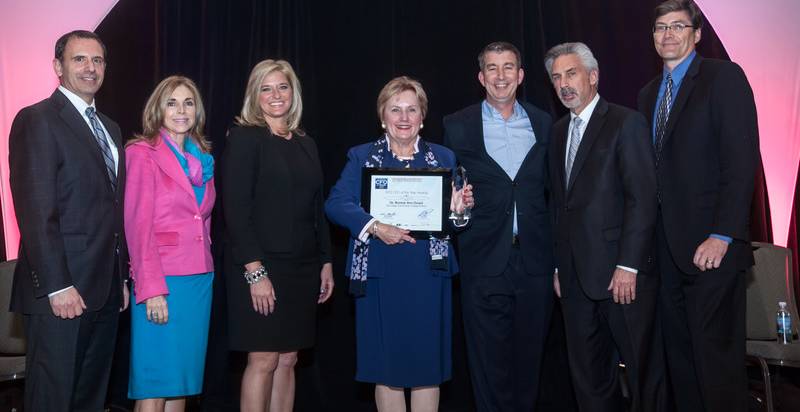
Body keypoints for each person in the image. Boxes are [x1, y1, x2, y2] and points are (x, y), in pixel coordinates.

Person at [637, 1, 759, 410]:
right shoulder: (648, 93)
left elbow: (741, 164)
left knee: (716, 369)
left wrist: (723, 234)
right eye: (659, 27)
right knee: (681, 367)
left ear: (697, 33)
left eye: (677, 26)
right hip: (666, 253)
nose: (667, 34)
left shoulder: (724, 78)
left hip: (713, 249)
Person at [325, 76, 471, 412]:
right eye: (395, 109)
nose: (403, 118)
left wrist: (460, 210)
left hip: (428, 276)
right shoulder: (361, 156)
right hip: (380, 275)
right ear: (382, 116)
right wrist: (375, 226)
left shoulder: (444, 158)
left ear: (423, 116)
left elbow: (456, 223)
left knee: (427, 369)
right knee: (385, 368)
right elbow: (335, 204)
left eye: (411, 109)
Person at [8, 30, 129, 411]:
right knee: (52, 399)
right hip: (62, 292)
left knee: (90, 398)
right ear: (58, 66)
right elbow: (34, 209)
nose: (90, 68)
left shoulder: (110, 128)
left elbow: (112, 208)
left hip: (105, 288)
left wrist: (121, 276)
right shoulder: (37, 119)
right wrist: (57, 285)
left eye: (97, 60)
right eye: (79, 59)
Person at [545, 42, 665, 411]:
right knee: (589, 378)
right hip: (575, 279)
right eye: (556, 77)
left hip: (621, 277)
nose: (564, 84)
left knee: (645, 376)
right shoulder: (558, 132)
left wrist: (628, 265)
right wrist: (558, 266)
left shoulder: (626, 122)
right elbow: (559, 206)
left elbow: (642, 199)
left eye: (572, 73)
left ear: (593, 76)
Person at [442, 41, 553, 412]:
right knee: (488, 367)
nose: (501, 75)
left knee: (529, 363)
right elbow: (450, 196)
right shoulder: (457, 126)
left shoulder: (545, 123)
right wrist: (457, 210)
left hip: (536, 262)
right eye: (492, 68)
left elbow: (554, 195)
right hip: (483, 260)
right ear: (481, 77)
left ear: (521, 76)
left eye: (508, 67)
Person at [222, 59, 334, 412]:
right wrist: (255, 272)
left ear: (293, 92)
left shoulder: (305, 142)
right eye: (266, 88)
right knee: (264, 359)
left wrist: (326, 260)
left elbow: (318, 208)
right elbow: (236, 211)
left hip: (302, 266)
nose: (275, 95)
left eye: (282, 87)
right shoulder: (244, 138)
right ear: (255, 95)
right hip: (260, 265)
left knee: (288, 360)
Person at [124, 76, 216, 411]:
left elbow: (201, 220)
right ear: (158, 109)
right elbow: (138, 227)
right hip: (162, 282)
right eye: (172, 102)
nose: (181, 110)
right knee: (155, 383)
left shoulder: (202, 160)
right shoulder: (142, 154)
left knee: (182, 383)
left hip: (198, 280)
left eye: (188, 102)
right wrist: (151, 289)